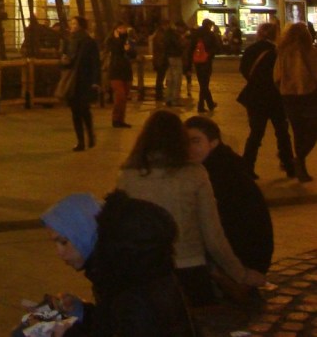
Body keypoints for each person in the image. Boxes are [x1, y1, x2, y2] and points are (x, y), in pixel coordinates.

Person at [116, 109, 266, 306]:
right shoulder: (194, 174)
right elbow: (213, 236)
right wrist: (240, 274)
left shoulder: (128, 176)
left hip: (144, 272)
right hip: (188, 269)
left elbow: (119, 229)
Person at [20, 190, 198, 336]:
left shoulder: (131, 290)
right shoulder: (123, 273)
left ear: (84, 234)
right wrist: (84, 313)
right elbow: (112, 323)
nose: (59, 252)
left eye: (64, 242)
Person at [184, 115, 273, 278]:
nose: (189, 148)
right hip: (248, 257)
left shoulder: (220, 175)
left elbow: (216, 231)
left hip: (243, 260)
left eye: (196, 141)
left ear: (213, 142)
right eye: (185, 142)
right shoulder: (223, 164)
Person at [238, 19, 294, 178]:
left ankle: (248, 166)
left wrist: (254, 81)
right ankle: (288, 164)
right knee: (282, 132)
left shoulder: (251, 50)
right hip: (276, 97)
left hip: (255, 97)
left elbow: (243, 69)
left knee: (256, 133)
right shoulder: (278, 51)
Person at [274, 19, 317, 182]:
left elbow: (276, 77)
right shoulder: (311, 52)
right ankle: (299, 161)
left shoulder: (283, 54)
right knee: (312, 131)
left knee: (299, 132)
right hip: (309, 96)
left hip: (289, 97)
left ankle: (301, 166)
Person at [62, 16, 101, 151]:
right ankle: (80, 141)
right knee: (75, 111)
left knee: (84, 109)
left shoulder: (89, 42)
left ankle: (90, 134)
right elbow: (65, 60)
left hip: (85, 80)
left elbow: (95, 62)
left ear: (81, 26)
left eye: (74, 23)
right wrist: (64, 61)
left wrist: (95, 81)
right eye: (71, 23)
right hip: (73, 81)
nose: (72, 25)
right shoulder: (69, 41)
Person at [105, 22, 135, 128]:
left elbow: (133, 54)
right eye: (120, 28)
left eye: (124, 28)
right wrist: (118, 40)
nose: (123, 30)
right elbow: (115, 51)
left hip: (126, 71)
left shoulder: (128, 40)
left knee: (124, 97)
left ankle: (121, 120)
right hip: (115, 71)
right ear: (115, 29)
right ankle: (115, 119)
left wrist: (129, 50)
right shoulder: (111, 40)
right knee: (120, 96)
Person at [191, 18, 217, 113]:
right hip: (206, 61)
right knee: (204, 84)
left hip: (197, 61)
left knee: (202, 84)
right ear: (209, 25)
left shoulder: (195, 34)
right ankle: (203, 105)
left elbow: (191, 48)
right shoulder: (211, 34)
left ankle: (208, 104)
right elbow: (217, 47)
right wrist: (210, 54)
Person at [163, 22, 185, 107]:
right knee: (177, 79)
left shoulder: (166, 35)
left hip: (168, 58)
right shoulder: (175, 35)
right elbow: (178, 45)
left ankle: (168, 98)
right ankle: (175, 99)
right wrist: (182, 41)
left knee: (170, 79)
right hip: (175, 57)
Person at [150, 22, 167, 104]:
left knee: (160, 78)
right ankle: (159, 95)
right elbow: (161, 46)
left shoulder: (158, 34)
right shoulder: (160, 35)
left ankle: (159, 94)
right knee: (160, 78)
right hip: (160, 59)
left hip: (159, 59)